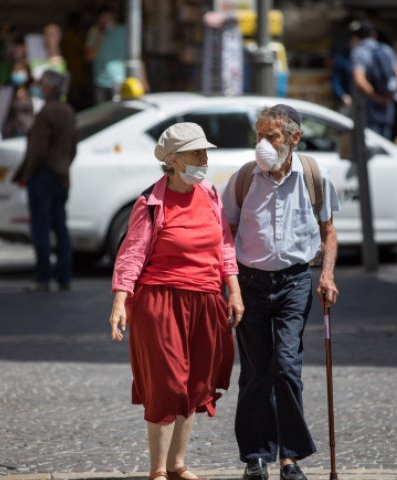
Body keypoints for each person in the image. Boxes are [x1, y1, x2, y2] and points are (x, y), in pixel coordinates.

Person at [108, 122, 244, 480]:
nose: (204, 158)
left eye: (204, 152)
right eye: (196, 152)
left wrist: (234, 291)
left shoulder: (212, 196)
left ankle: (177, 464)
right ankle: (157, 471)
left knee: (196, 384)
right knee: (168, 383)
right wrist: (120, 302)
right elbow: (132, 255)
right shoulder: (151, 203)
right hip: (161, 302)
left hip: (206, 299)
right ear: (173, 160)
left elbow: (225, 246)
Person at [221, 105, 340, 480]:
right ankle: (256, 456)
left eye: (271, 136)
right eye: (258, 135)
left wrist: (328, 275)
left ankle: (290, 457)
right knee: (256, 372)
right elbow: (226, 234)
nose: (263, 144)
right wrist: (231, 287)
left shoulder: (314, 176)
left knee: (286, 366)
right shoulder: (243, 179)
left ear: (293, 138)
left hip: (294, 282)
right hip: (251, 284)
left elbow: (329, 231)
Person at [11, 71, 77, 293]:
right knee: (60, 227)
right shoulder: (68, 112)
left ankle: (42, 277)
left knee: (41, 227)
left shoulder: (46, 113)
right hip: (61, 175)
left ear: (49, 88)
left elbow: (37, 149)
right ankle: (64, 276)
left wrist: (26, 173)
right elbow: (73, 147)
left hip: (43, 174)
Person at [349, 19, 397, 140]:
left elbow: (359, 81)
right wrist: (387, 96)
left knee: (369, 147)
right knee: (384, 147)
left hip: (367, 109)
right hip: (387, 108)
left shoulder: (359, 52)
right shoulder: (387, 49)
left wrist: (376, 97)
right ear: (373, 34)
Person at [86, 7, 127, 103]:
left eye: (108, 18)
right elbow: (89, 57)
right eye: (103, 19)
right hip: (100, 81)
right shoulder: (94, 32)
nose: (106, 22)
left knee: (118, 110)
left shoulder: (124, 31)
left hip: (119, 80)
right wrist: (100, 38)